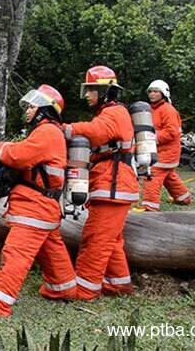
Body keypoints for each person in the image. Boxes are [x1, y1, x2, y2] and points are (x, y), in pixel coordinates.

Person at [0, 85, 76, 317]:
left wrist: (3, 147)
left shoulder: (47, 132)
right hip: (45, 205)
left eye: (33, 106)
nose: (28, 110)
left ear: (46, 110)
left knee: (16, 253)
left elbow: (18, 155)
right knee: (51, 249)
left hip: (35, 206)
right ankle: (63, 288)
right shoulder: (50, 132)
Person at [63, 66, 138, 300]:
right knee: (111, 240)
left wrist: (66, 128)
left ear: (105, 92)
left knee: (96, 239)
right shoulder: (110, 112)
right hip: (112, 183)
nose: (87, 95)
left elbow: (96, 132)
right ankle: (119, 285)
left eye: (91, 90)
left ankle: (86, 289)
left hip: (114, 185)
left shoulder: (113, 114)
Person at [134, 80, 191, 211]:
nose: (152, 94)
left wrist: (150, 137)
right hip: (158, 151)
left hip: (166, 152)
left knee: (152, 175)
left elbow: (172, 133)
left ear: (163, 93)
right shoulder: (151, 109)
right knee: (169, 176)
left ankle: (149, 205)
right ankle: (183, 197)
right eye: (150, 91)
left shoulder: (168, 110)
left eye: (155, 91)